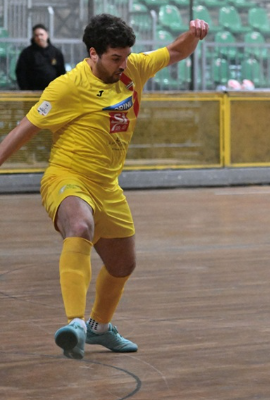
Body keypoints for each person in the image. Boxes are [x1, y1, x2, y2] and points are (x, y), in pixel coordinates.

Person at [0, 14, 208, 360]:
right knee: (80, 226)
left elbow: (175, 52)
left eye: (126, 56)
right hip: (67, 176)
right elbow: (23, 130)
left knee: (123, 264)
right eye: (115, 58)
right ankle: (75, 323)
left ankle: (98, 327)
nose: (122, 64)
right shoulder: (67, 86)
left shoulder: (132, 68)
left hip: (107, 186)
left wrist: (193, 34)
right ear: (93, 53)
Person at [15, 24, 66, 90]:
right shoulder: (27, 53)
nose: (39, 37)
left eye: (41, 34)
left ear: (47, 35)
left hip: (52, 91)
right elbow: (21, 72)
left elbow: (61, 72)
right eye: (36, 35)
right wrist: (25, 89)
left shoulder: (56, 53)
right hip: (32, 91)